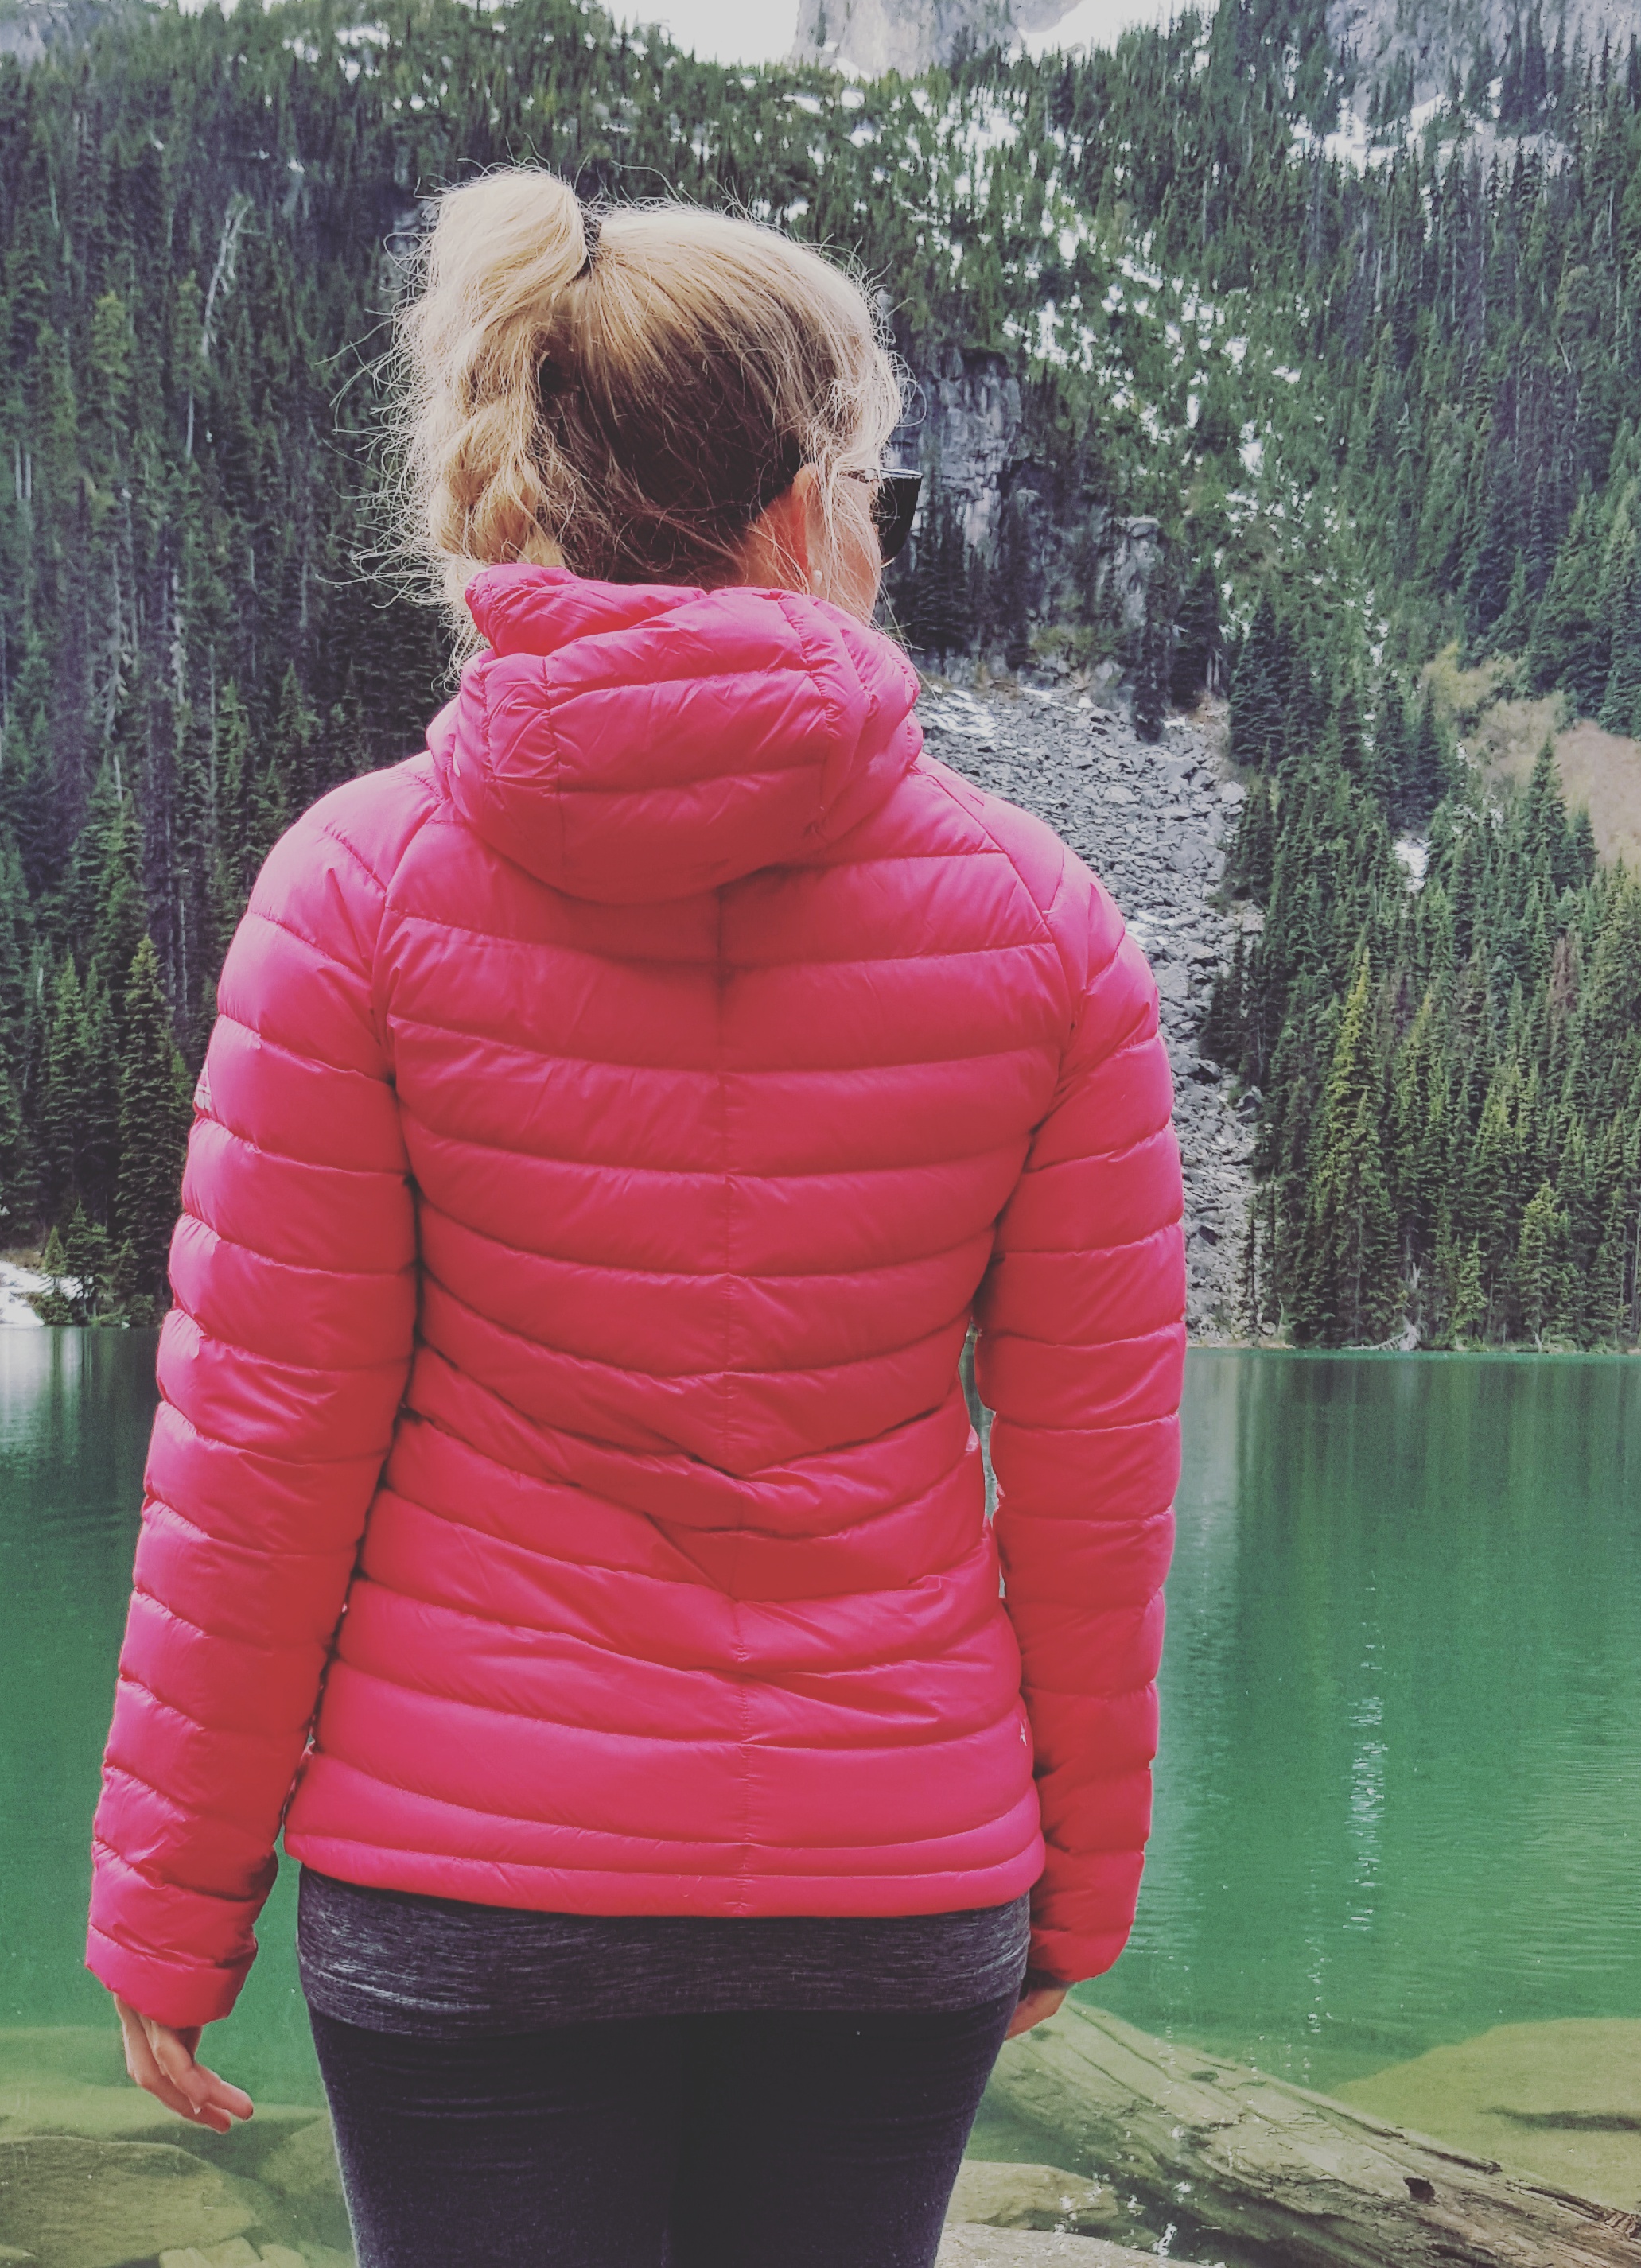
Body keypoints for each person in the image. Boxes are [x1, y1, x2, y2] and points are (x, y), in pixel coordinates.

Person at [85, 169, 1186, 2268]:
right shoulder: (1045, 929)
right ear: (796, 511)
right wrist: (1081, 1881)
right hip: (891, 1872)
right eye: (873, 482)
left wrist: (172, 1891)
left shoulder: (353, 894)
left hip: (466, 1884)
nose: (882, 529)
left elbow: (262, 1448)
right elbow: (1090, 1473)